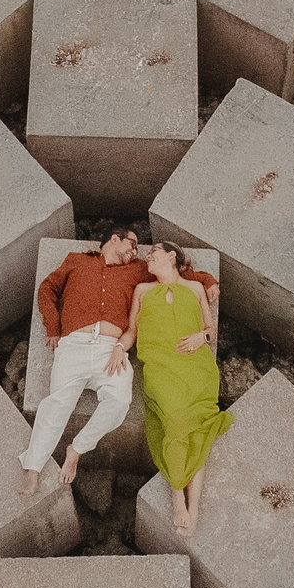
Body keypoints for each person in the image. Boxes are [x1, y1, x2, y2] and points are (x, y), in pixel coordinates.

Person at [20, 230, 216, 497]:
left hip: (110, 349)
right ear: (114, 239)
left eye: (139, 250)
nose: (136, 253)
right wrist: (52, 328)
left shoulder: (137, 271)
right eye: (133, 245)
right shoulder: (76, 260)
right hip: (73, 345)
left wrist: (208, 280)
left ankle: (76, 449)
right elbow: (47, 288)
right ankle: (33, 468)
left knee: (120, 401)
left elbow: (175, 275)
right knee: (57, 403)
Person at [132, 240, 230, 538]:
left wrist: (203, 336)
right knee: (175, 423)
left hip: (196, 368)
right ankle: (177, 495)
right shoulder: (142, 291)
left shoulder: (196, 288)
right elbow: (132, 331)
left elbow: (211, 329)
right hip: (160, 366)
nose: (148, 258)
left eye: (153, 253)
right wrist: (114, 352)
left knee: (197, 431)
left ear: (171, 255)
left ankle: (194, 508)